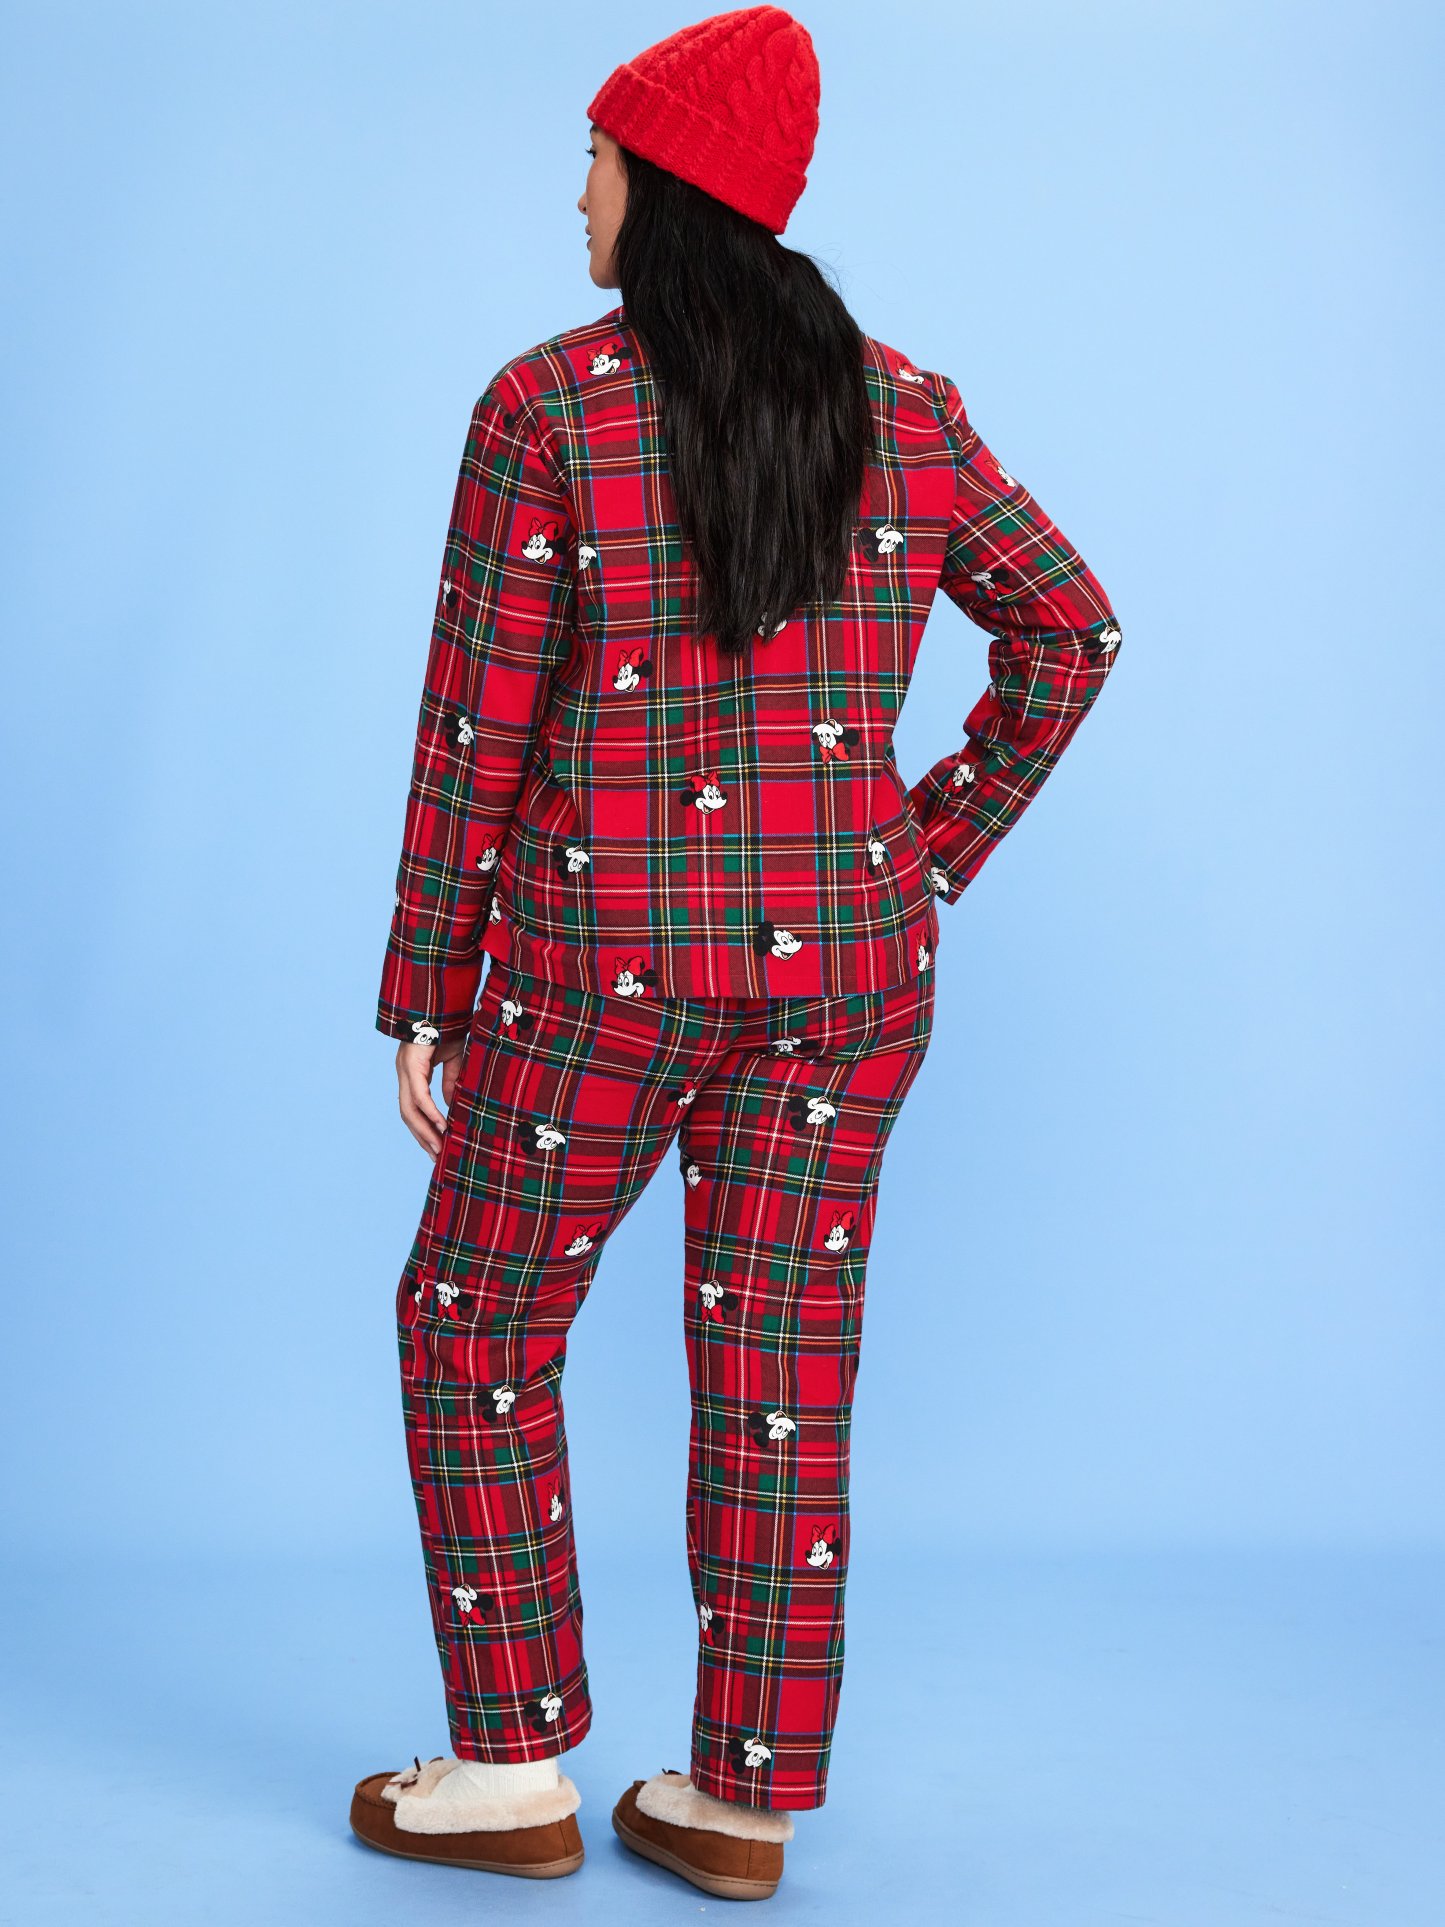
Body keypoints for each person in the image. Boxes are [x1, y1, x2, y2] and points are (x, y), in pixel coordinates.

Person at [348, 2, 1122, 1901]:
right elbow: (1071, 631)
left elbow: (475, 726)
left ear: (667, 185)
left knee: (472, 1328)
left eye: (597, 158)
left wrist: (425, 990)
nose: (578, 195)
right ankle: (739, 1804)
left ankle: (509, 1769)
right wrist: (916, 859)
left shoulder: (547, 407)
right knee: (778, 1366)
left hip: (596, 974)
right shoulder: (905, 405)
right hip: (848, 984)